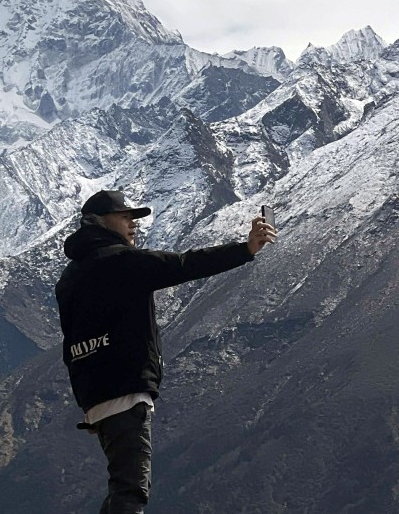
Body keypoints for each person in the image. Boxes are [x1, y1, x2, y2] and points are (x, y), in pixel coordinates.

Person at [55, 190, 277, 514]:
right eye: (125, 217)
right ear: (99, 223)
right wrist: (245, 249)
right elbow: (185, 265)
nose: (133, 224)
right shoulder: (123, 262)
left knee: (122, 484)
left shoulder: (69, 277)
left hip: (93, 396)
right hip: (126, 389)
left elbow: (71, 336)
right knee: (131, 490)